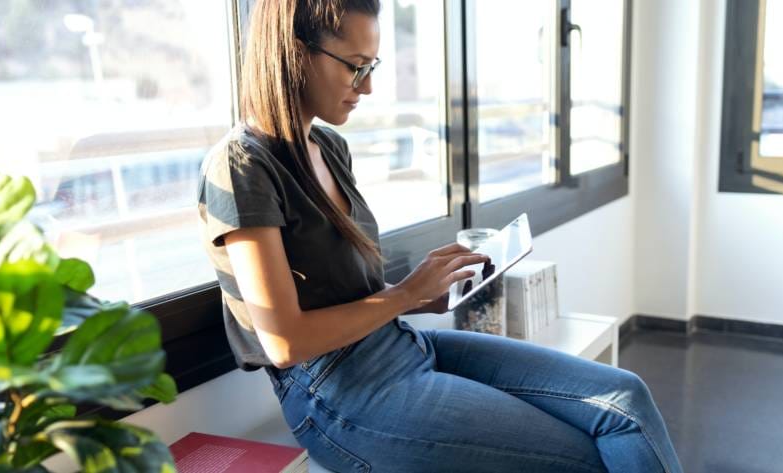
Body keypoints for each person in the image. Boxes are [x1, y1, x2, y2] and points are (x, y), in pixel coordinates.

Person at [197, 1, 684, 471]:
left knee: (625, 401)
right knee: (584, 458)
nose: (367, 86)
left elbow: (343, 294)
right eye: (355, 66)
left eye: (371, 66)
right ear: (296, 51)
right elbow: (284, 341)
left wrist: (420, 297)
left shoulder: (328, 147)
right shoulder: (242, 165)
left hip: (399, 344)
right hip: (337, 394)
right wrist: (405, 294)